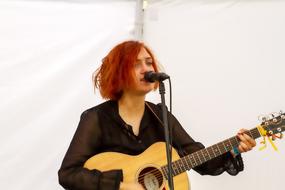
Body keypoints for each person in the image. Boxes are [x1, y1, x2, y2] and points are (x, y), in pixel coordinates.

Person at [58, 40, 256, 190]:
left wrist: (234, 150)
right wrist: (121, 185)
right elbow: (68, 174)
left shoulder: (161, 116)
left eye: (149, 62)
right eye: (136, 64)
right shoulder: (97, 119)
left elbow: (198, 158)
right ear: (118, 73)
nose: (147, 69)